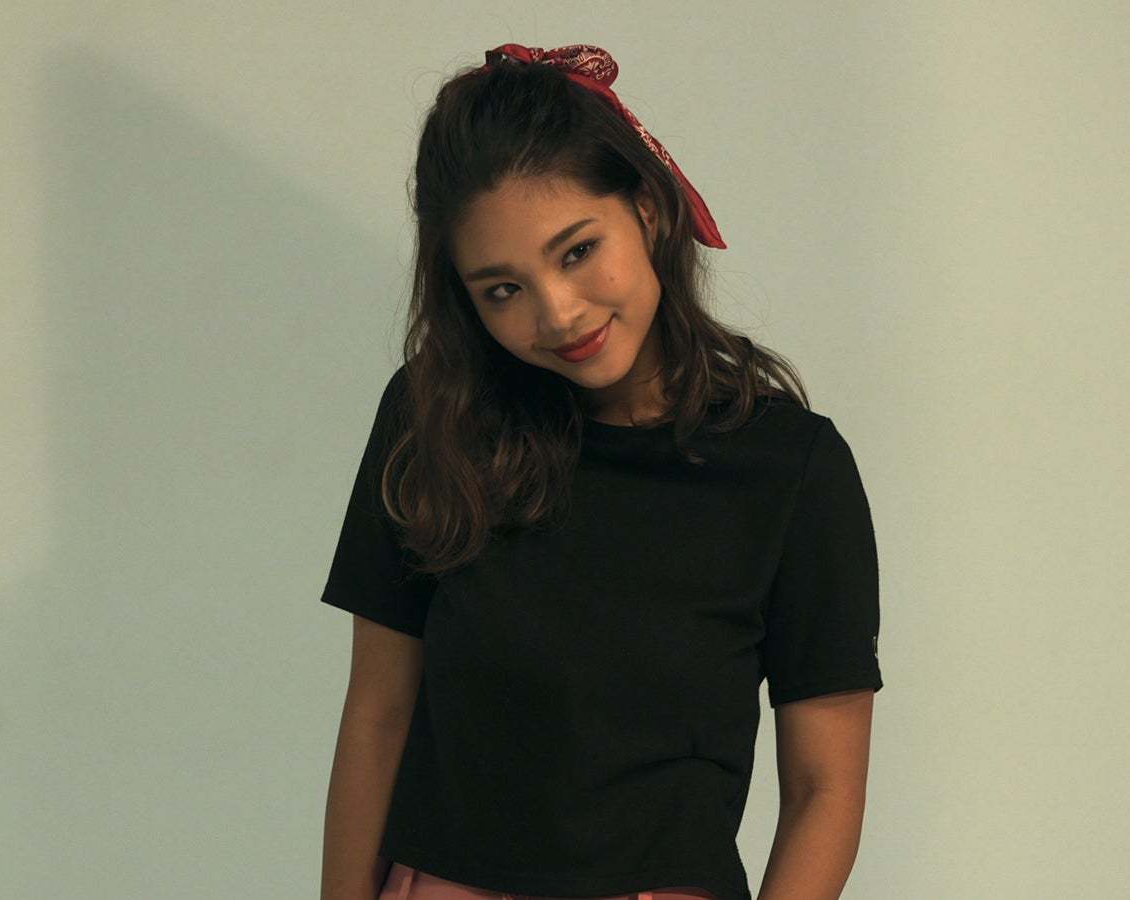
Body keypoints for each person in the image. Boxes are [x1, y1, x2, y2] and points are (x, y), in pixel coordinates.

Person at [320, 44, 880, 900]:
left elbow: (824, 791)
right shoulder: (434, 418)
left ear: (648, 209)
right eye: (502, 289)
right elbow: (377, 715)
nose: (557, 313)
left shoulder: (791, 471)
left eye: (577, 250)